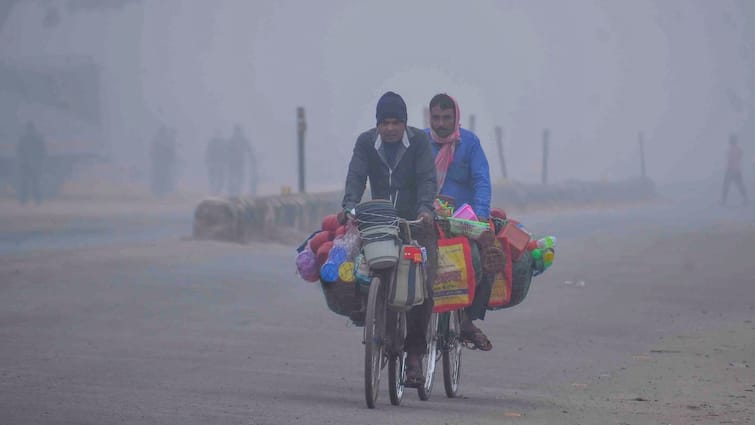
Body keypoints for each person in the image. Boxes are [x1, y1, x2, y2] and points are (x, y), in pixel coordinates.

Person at [340, 91, 438, 386]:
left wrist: (425, 210)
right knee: (362, 269)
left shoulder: (419, 141)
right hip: (380, 222)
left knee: (422, 284)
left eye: (396, 122)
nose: (391, 128)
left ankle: (416, 356)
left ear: (405, 124)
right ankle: (371, 314)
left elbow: (426, 179)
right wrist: (348, 206)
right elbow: (356, 176)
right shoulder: (366, 143)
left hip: (416, 223)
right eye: (385, 123)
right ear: (378, 124)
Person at [425, 93, 494, 351]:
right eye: (436, 118)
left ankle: (466, 321)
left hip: (464, 220)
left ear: (456, 118)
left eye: (446, 118)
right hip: (426, 215)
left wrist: (482, 218)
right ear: (429, 117)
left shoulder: (470, 144)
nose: (441, 123)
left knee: (478, 260)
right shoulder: (420, 142)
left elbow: (481, 181)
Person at [16, 121, 47, 205]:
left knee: (27, 184)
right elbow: (42, 152)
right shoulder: (38, 138)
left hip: (27, 165)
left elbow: (20, 151)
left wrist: (22, 162)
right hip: (34, 165)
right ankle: (37, 201)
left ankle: (24, 201)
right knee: (34, 184)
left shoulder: (24, 138)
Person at [226, 124, 253, 197]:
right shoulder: (238, 140)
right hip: (236, 162)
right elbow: (249, 149)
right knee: (235, 176)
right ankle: (233, 190)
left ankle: (236, 190)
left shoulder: (233, 139)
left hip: (237, 162)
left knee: (237, 176)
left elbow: (249, 149)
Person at [721, 134, 748, 206]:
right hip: (737, 170)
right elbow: (740, 156)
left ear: (731, 141)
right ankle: (746, 199)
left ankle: (723, 201)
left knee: (726, 185)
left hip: (730, 170)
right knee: (740, 185)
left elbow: (729, 160)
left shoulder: (730, 150)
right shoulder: (739, 150)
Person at [205, 130, 227, 195]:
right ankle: (214, 190)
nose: (218, 135)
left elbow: (226, 153)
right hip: (214, 163)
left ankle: (217, 190)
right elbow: (208, 152)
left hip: (220, 162)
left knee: (220, 178)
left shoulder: (222, 142)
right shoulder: (212, 142)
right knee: (213, 177)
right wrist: (207, 160)